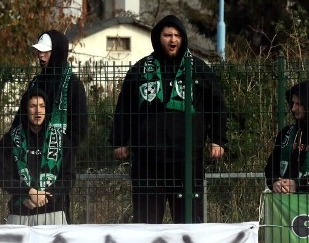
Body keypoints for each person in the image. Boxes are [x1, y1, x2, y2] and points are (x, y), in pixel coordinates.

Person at [111, 14, 227, 224]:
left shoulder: (199, 69)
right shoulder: (139, 70)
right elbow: (124, 107)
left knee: (189, 224)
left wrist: (218, 139)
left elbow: (216, 105)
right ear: (157, 38)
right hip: (148, 161)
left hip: (187, 161)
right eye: (167, 35)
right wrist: (120, 140)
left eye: (177, 35)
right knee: (146, 224)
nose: (173, 40)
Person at [13, 30, 88, 222]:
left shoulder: (72, 85)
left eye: (46, 52)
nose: (41, 55)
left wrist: (64, 152)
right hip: (28, 159)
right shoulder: (35, 84)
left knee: (58, 213)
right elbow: (20, 121)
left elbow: (79, 125)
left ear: (58, 52)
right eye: (39, 51)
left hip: (59, 164)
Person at [0, 87, 74, 225]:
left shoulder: (62, 140)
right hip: (20, 213)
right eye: (32, 106)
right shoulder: (9, 140)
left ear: (47, 109)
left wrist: (43, 197)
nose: (38, 110)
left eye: (42, 106)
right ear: (25, 109)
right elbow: (4, 178)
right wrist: (29, 192)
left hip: (53, 213)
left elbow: (68, 178)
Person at [265, 80, 309, 193]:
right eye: (292, 103)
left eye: (299, 104)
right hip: (286, 205)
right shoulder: (286, 133)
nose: (293, 108)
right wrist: (275, 182)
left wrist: (298, 185)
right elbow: (271, 166)